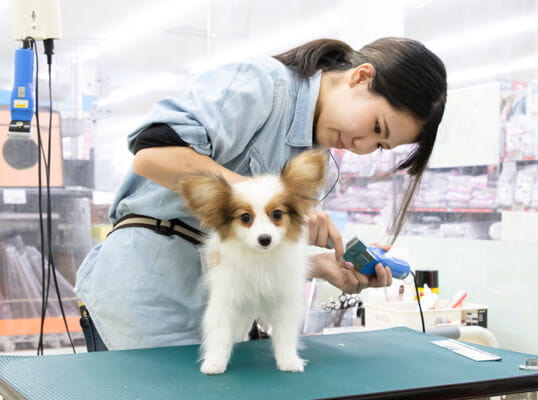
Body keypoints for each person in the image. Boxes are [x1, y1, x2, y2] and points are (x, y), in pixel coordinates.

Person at [75, 37, 447, 351]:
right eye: (376, 126)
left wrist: (315, 267)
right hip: (144, 301)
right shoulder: (263, 84)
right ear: (361, 77)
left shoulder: (314, 157)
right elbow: (153, 154)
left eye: (380, 146)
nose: (363, 146)